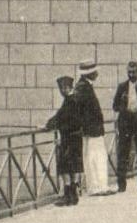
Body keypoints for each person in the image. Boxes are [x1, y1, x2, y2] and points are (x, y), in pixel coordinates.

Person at [112, 61, 137, 192]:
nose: (131, 74)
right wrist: (123, 104)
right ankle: (121, 185)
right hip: (125, 123)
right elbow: (115, 106)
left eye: (134, 72)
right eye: (129, 72)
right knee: (123, 153)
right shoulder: (122, 87)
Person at [72, 59, 110, 195]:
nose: (97, 73)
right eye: (95, 71)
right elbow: (79, 109)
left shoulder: (83, 86)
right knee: (95, 157)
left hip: (92, 129)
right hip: (92, 129)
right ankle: (97, 187)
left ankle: (98, 186)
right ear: (90, 73)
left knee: (94, 157)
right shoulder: (83, 87)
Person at [45, 76, 83, 206]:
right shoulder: (73, 99)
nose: (63, 90)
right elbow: (60, 116)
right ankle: (73, 195)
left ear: (69, 87)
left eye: (65, 87)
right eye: (62, 88)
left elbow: (63, 118)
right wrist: (49, 124)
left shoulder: (71, 101)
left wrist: (50, 126)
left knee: (65, 166)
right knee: (74, 165)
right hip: (75, 137)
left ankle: (68, 196)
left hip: (69, 138)